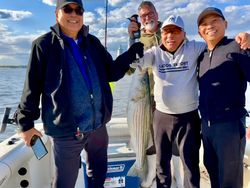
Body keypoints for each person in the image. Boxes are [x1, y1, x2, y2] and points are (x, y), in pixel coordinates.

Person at [14, 0, 143, 188]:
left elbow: (112, 72)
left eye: (79, 10)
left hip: (98, 126)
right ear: (57, 13)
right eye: (68, 9)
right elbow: (31, 88)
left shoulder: (93, 42)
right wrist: (25, 124)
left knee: (98, 176)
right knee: (65, 183)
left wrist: (130, 53)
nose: (74, 14)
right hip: (66, 131)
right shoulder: (43, 45)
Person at [132, 13, 250, 187]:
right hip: (173, 119)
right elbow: (136, 62)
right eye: (167, 31)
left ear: (185, 34)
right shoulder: (161, 53)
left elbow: (225, 49)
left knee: (193, 166)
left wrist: (245, 37)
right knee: (166, 165)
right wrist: (132, 37)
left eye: (175, 31)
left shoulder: (203, 48)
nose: (170, 35)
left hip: (203, 120)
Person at [197, 7, 250, 188]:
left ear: (225, 24)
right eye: (204, 24)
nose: (209, 26)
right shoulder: (201, 56)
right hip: (206, 127)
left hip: (230, 126)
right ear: (199, 31)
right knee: (212, 173)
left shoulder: (238, 47)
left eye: (215, 21)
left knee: (230, 181)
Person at [127, 1, 161, 187]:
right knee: (147, 137)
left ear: (156, 13)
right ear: (140, 19)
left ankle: (166, 175)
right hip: (146, 98)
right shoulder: (140, 40)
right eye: (143, 16)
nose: (147, 18)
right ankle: (149, 175)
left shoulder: (170, 30)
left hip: (167, 98)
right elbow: (130, 70)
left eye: (150, 13)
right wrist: (131, 38)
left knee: (166, 140)